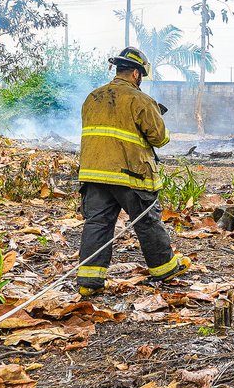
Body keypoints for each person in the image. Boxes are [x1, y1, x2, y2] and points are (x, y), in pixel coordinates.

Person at [76, 47, 190, 296]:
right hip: (131, 175)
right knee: (147, 221)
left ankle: (88, 282)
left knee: (97, 223)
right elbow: (159, 138)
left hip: (94, 174)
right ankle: (165, 269)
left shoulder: (92, 98)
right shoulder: (140, 100)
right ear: (137, 74)